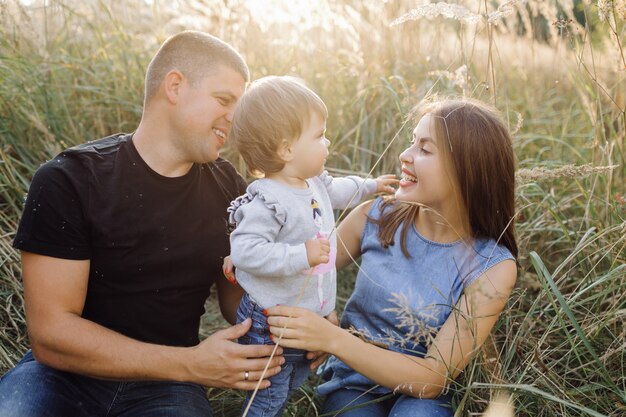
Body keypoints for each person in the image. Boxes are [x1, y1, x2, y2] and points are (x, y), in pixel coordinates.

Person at [0, 31, 286, 417]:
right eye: (224, 100)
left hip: (167, 390)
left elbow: (240, 295)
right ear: (175, 86)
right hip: (62, 376)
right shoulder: (69, 179)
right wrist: (191, 364)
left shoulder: (230, 189)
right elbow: (51, 336)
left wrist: (297, 323)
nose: (235, 118)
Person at [266, 97, 519, 416]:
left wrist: (333, 339)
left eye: (425, 149)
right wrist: (316, 310)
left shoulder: (493, 265)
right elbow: (301, 277)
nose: (404, 155)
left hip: (423, 397)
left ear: (467, 171)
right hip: (352, 384)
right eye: (412, 142)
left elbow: (432, 378)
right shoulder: (374, 217)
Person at [223, 75, 398, 416]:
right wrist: (299, 254)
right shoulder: (268, 200)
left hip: (301, 314)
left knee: (292, 381)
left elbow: (338, 191)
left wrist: (369, 186)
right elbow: (245, 251)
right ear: (286, 149)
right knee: (267, 395)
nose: (327, 142)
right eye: (319, 136)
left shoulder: (313, 182)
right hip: (270, 322)